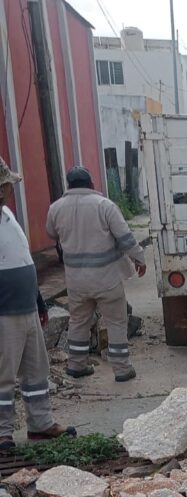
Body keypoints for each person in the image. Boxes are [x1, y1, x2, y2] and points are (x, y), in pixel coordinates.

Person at [0, 158, 76, 452]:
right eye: (7, 185)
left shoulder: (7, 215)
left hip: (26, 307)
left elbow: (22, 258)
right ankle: (3, 433)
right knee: (3, 375)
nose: (9, 190)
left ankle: (41, 423)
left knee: (36, 370)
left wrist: (38, 299)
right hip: (5, 312)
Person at [46, 166, 145, 383]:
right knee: (116, 322)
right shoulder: (104, 206)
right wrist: (139, 258)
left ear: (69, 185)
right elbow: (125, 237)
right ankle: (121, 369)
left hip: (76, 281)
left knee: (78, 321)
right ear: (91, 183)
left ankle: (76, 365)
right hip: (107, 279)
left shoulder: (56, 208)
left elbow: (51, 233)